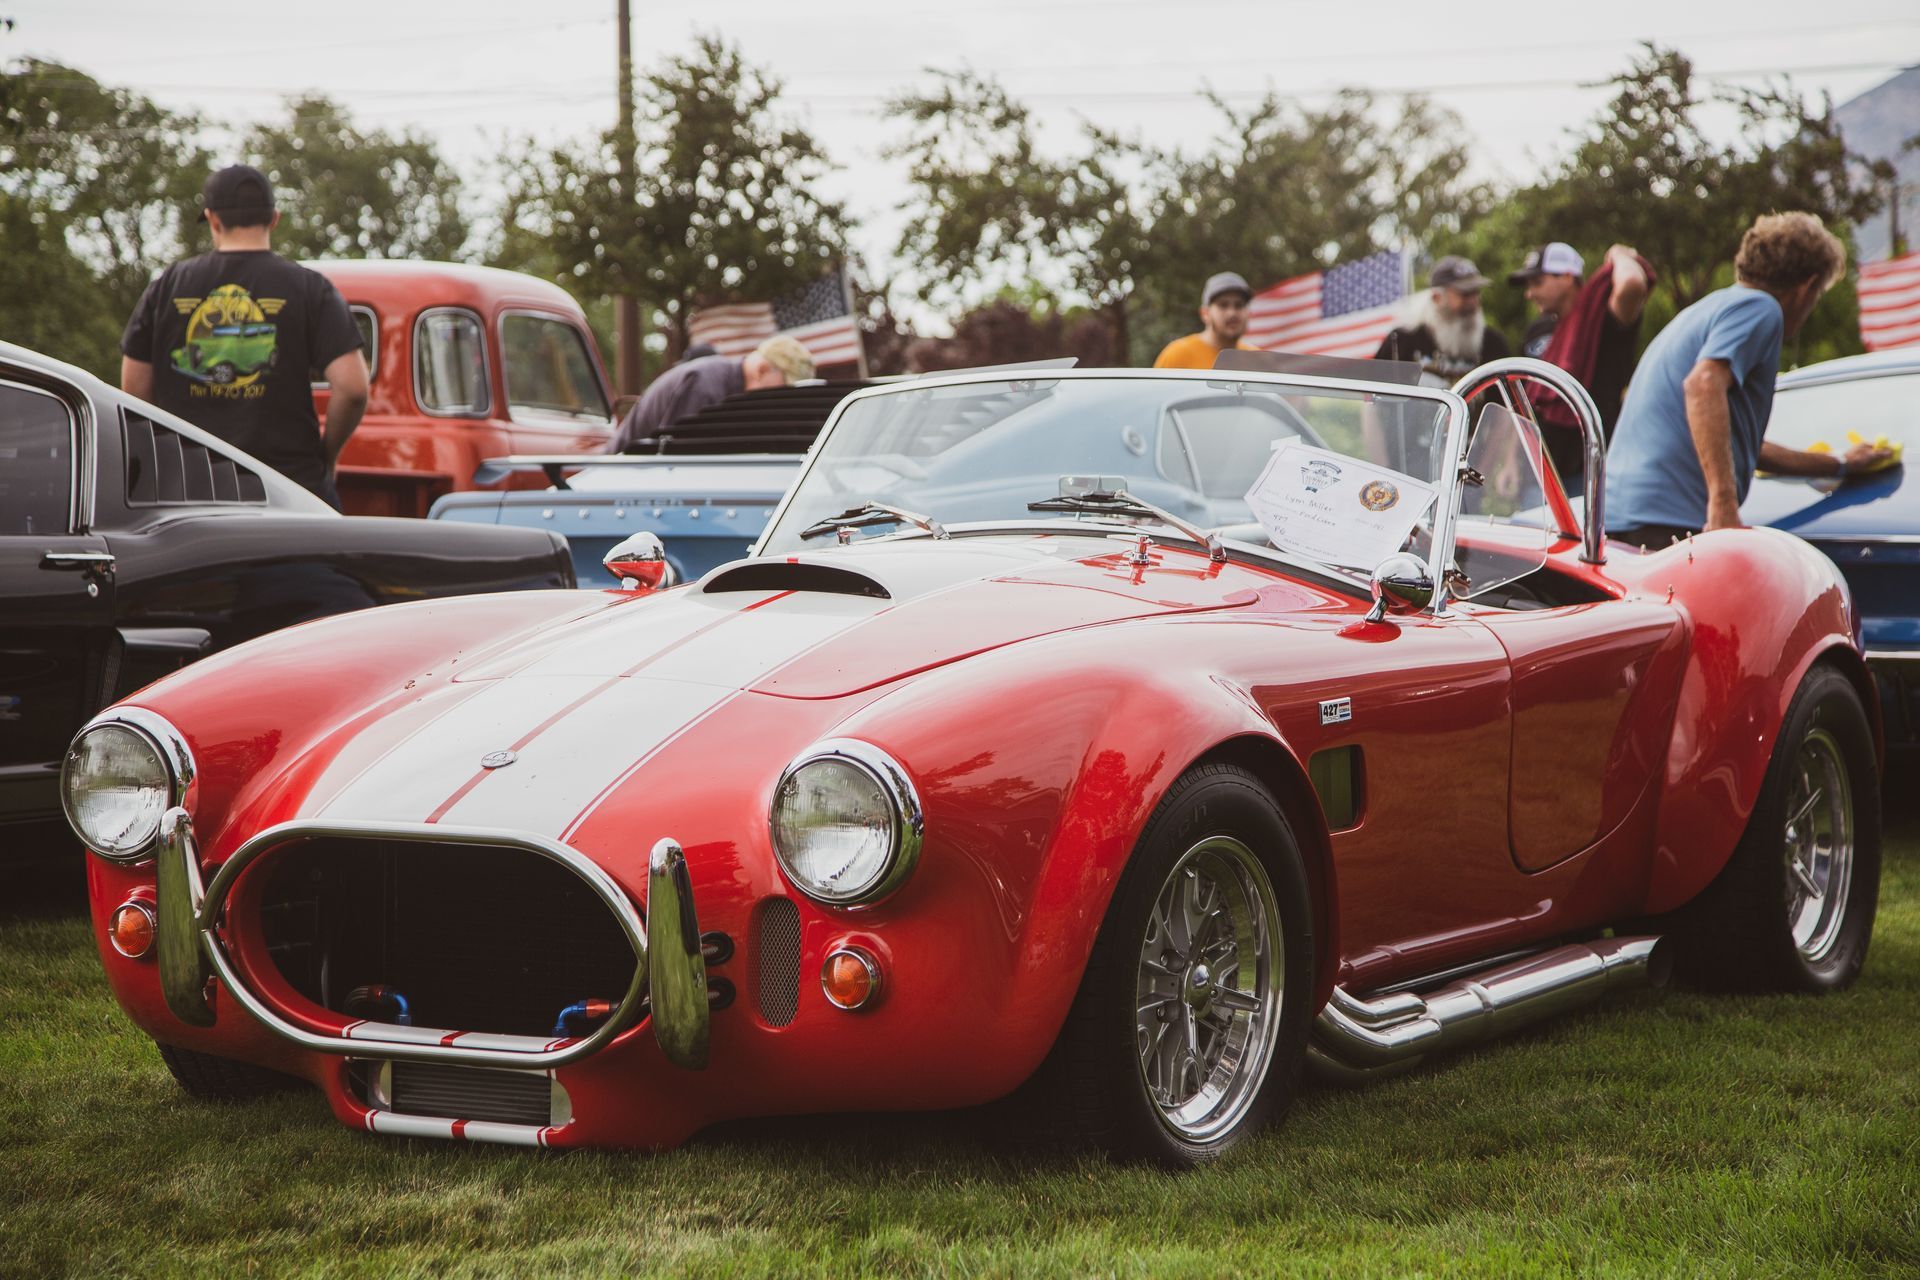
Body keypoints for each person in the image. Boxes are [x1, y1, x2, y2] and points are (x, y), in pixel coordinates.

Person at [1605, 212, 1893, 549]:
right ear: (1807, 287)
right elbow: (1703, 385)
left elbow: (1742, 446)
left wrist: (1841, 463)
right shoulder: (1760, 308)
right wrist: (1724, 505)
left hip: (1618, 521)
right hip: (1669, 523)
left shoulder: (1704, 310)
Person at [121, 164, 368, 508]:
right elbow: (354, 389)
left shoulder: (168, 285)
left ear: (213, 220)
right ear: (274, 219)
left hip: (185, 493)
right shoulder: (310, 288)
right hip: (289, 491)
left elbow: (134, 390)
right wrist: (327, 456)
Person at [1509, 240, 1652, 491]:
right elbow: (1525, 402)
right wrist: (1512, 460)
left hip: (1590, 470)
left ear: (1566, 277)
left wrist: (1620, 254)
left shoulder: (1603, 320)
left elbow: (1632, 283)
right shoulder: (1537, 330)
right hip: (1542, 467)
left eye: (1537, 282)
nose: (1529, 293)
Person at [606, 335, 813, 453]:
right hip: (616, 481)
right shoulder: (705, 387)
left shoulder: (720, 383)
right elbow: (674, 461)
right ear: (762, 370)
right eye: (785, 387)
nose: (783, 399)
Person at [1373, 256, 1509, 385]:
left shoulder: (1493, 343)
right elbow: (1374, 401)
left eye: (1476, 292)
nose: (1474, 301)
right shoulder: (1401, 341)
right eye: (1465, 294)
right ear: (1437, 298)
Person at [1153, 272, 1254, 369]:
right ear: (1205, 314)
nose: (1232, 313)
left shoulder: (1258, 360)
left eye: (1239, 305)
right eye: (1223, 305)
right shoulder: (1176, 356)